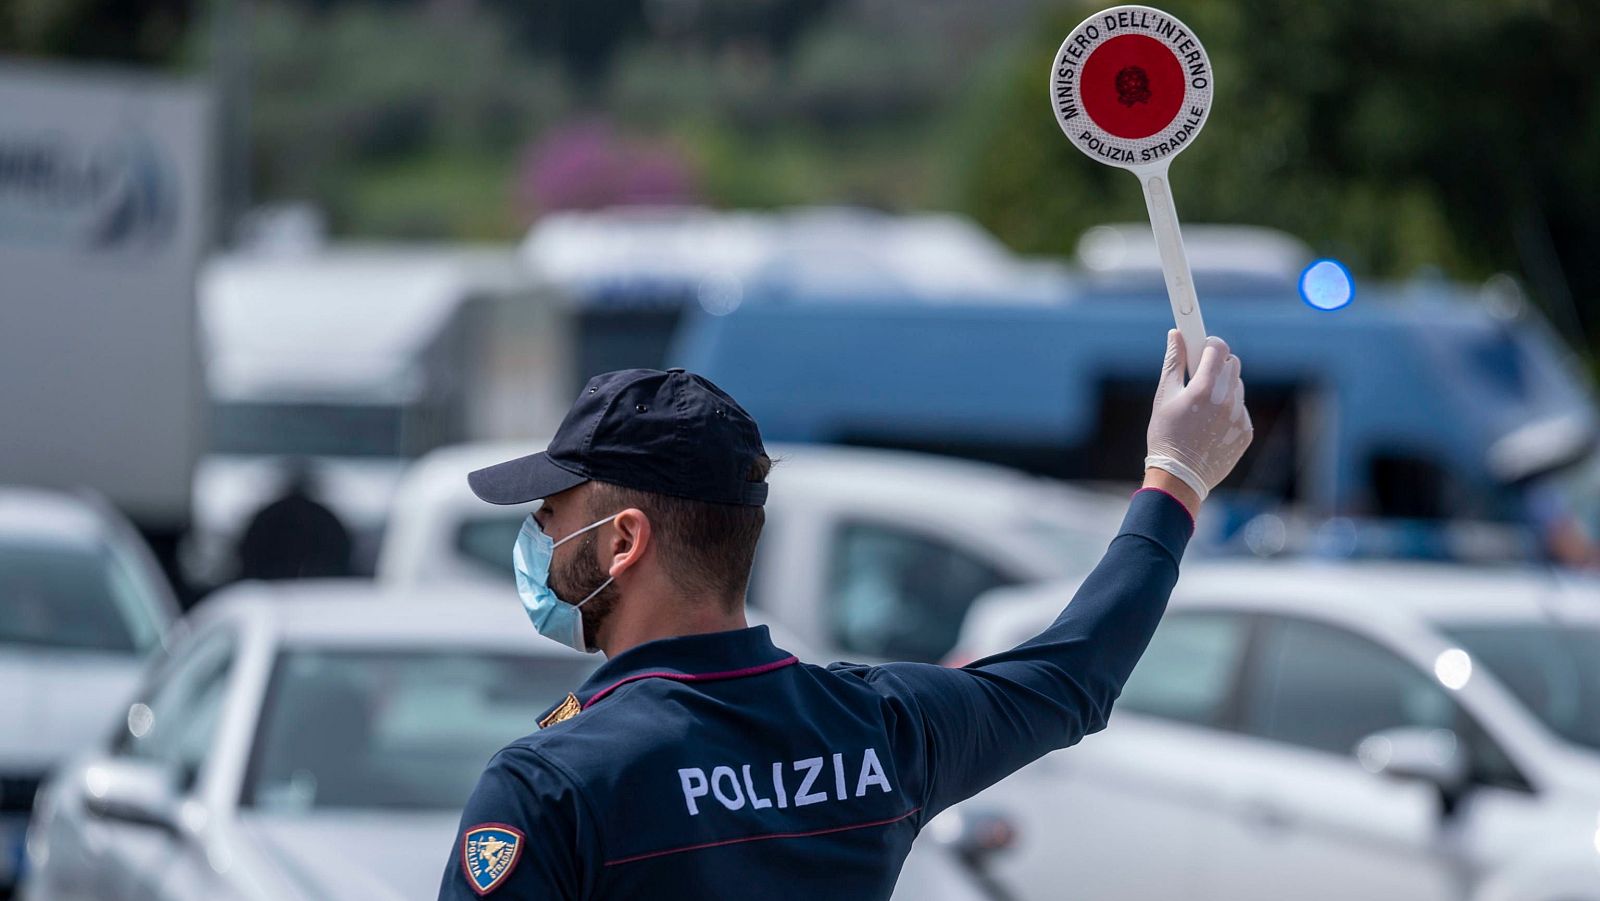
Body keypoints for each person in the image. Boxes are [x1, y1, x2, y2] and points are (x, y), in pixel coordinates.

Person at [440, 330, 1250, 900]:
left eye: (550, 513)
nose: (537, 537)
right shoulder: (876, 728)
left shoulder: (548, 783)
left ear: (624, 540)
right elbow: (1071, 680)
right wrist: (1174, 479)